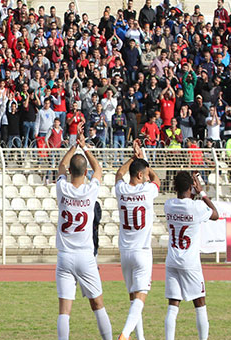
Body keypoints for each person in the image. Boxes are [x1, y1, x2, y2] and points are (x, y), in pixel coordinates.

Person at [55, 125, 112, 340]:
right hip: (86, 256)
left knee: (64, 310)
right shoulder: (90, 190)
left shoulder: (62, 188)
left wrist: (73, 147)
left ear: (70, 171)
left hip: (65, 256)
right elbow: (98, 170)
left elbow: (61, 165)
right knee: (98, 305)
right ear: (85, 172)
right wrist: (85, 147)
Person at [164, 171, 219, 340]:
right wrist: (201, 192)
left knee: (173, 305)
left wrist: (191, 192)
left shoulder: (168, 204)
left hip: (172, 260)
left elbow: (184, 200)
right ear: (191, 187)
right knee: (200, 304)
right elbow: (215, 214)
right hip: (190, 262)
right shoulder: (197, 207)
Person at [115, 140, 160, 340]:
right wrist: (143, 159)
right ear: (140, 175)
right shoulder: (147, 191)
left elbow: (118, 174)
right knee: (141, 296)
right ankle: (125, 334)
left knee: (133, 298)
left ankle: (140, 338)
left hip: (125, 252)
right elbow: (156, 179)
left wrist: (134, 157)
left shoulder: (121, 190)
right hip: (142, 251)